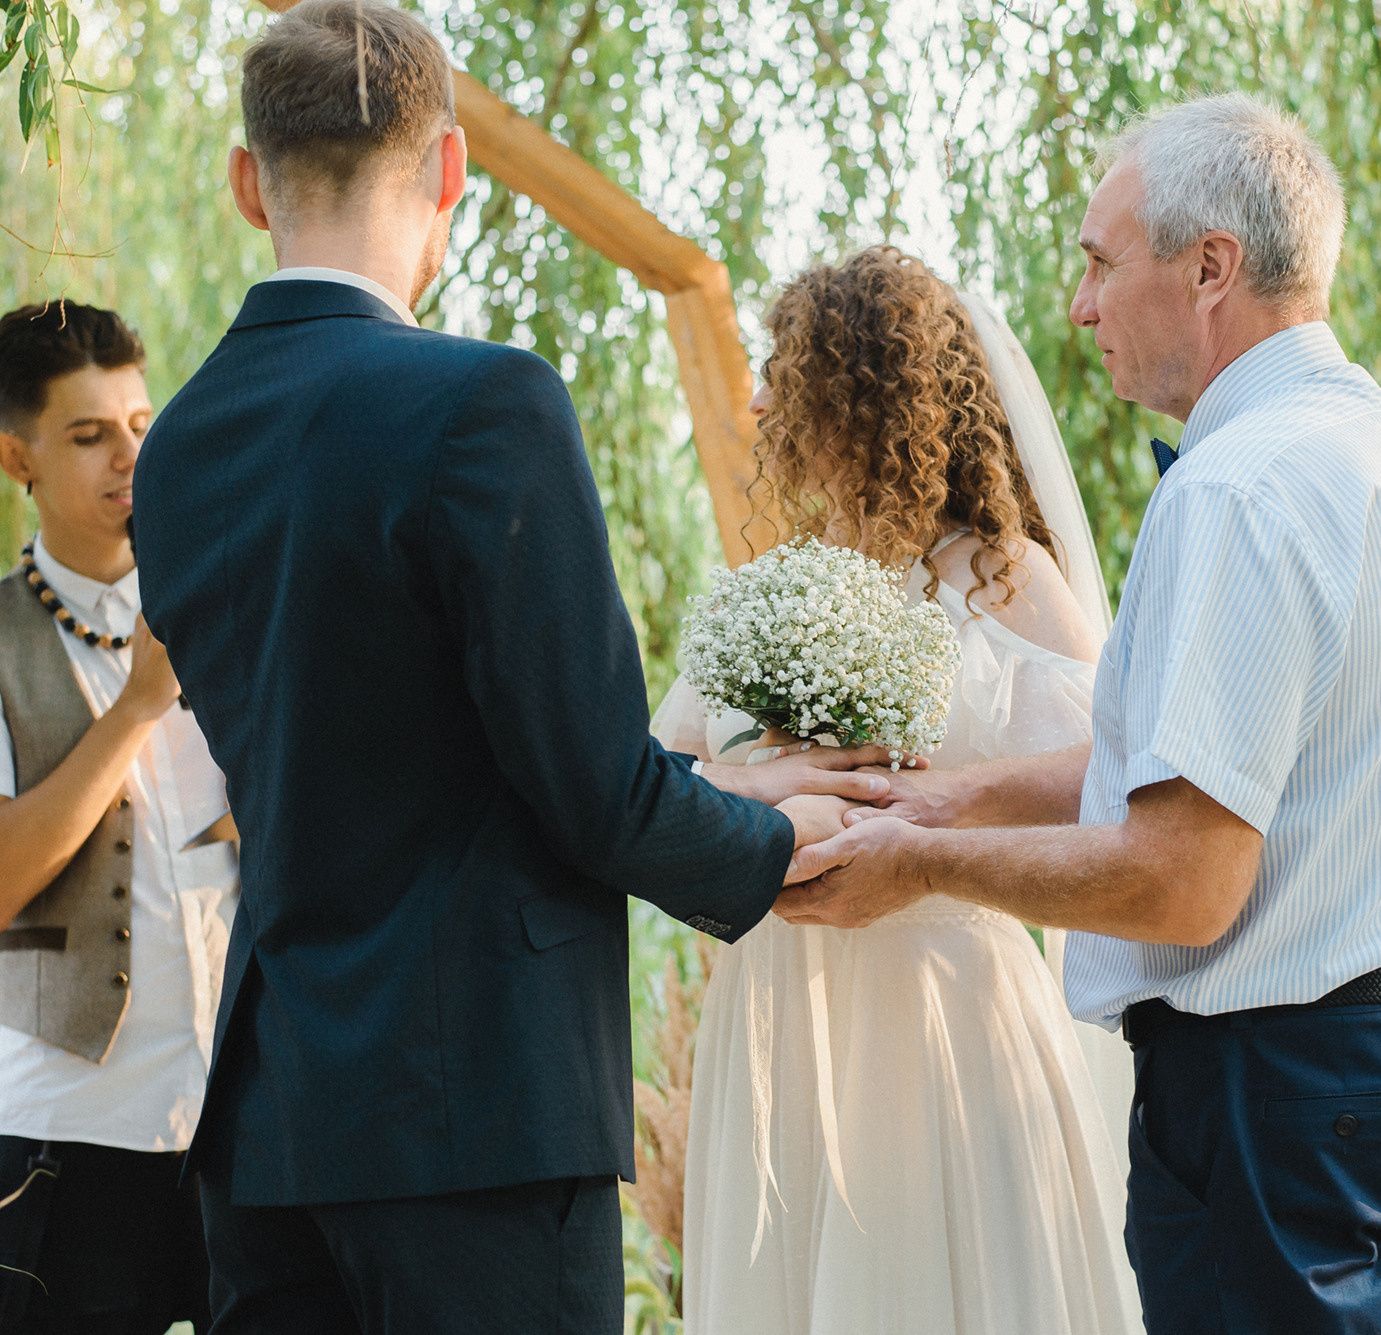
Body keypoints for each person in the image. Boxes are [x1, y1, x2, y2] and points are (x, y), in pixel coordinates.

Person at [127, 4, 884, 1331]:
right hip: (475, 1116)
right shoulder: (485, 403)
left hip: (273, 1116)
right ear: (450, 170)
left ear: (250, 183)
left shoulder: (180, 445)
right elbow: (587, 784)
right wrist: (773, 832)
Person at [785, 94, 1381, 1334]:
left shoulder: (1235, 487)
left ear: (1209, 269)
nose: (1076, 307)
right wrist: (957, 791)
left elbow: (1181, 879)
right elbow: (1237, 772)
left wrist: (914, 860)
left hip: (1282, 1095)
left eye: (1097, 263)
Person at [659, 246, 1138, 1335]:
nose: (760, 396)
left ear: (862, 388)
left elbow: (1106, 780)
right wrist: (766, 787)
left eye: (791, 369)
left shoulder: (1003, 575)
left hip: (941, 1006)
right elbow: (665, 776)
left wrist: (919, 800)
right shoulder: (775, 591)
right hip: (782, 997)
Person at [0, 300, 230, 1334]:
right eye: (89, 435)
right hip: (69, 1148)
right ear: (18, 457)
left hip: (249, 1138)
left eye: (141, 425)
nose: (128, 459)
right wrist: (138, 706)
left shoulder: (231, 611)